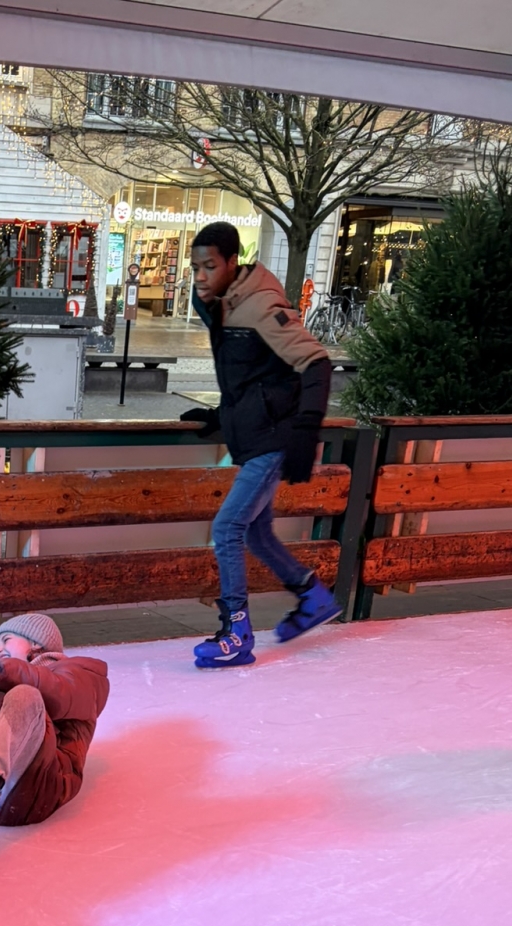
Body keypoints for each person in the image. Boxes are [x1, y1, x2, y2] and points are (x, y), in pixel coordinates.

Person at [180, 221, 341, 669]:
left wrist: (306, 430)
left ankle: (236, 632)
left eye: (210, 266)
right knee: (255, 530)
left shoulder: (260, 304)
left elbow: (316, 362)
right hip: (255, 433)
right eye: (195, 268)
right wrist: (222, 416)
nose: (201, 277)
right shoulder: (225, 305)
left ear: (233, 262)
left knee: (227, 528)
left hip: (275, 437)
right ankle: (312, 596)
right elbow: (252, 375)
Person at [0, 613, 109, 851]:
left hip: (35, 792)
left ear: (35, 643)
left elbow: (58, 692)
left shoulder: (81, 674)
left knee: (26, 694)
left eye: (6, 640)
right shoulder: (7, 679)